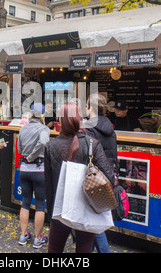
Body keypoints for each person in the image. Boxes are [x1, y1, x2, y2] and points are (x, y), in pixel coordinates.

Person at [44, 102, 114, 253]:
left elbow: (48, 186)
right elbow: (109, 177)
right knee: (84, 250)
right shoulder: (92, 144)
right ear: (80, 118)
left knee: (54, 250)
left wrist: (51, 216)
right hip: (86, 207)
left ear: (61, 120)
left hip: (60, 208)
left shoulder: (50, 146)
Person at [85, 93, 118, 253]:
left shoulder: (89, 129)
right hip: (108, 177)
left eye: (86, 105)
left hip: (94, 179)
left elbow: (88, 156)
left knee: (95, 223)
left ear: (90, 107)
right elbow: (114, 155)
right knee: (96, 218)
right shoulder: (111, 128)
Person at [17, 103, 50, 248]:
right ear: (42, 115)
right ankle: (37, 239)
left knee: (25, 202)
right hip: (39, 169)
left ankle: (23, 235)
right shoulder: (44, 128)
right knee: (40, 205)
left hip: (24, 169)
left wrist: (27, 155)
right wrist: (32, 155)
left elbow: (19, 147)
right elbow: (44, 142)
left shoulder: (23, 128)